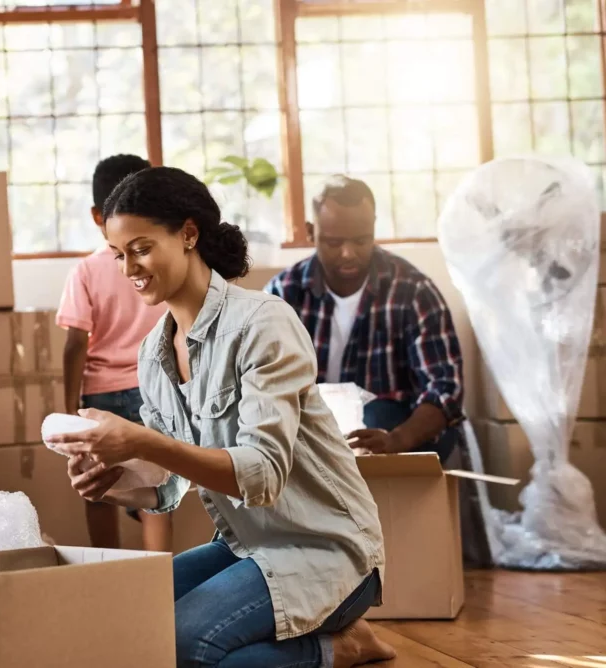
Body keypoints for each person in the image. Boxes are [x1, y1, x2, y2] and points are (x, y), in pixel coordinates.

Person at [47, 166, 396, 668]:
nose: (128, 269)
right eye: (118, 254)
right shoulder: (154, 354)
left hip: (329, 549)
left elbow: (264, 474)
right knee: (127, 616)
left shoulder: (263, 323)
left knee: (186, 645)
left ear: (189, 234)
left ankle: (339, 646)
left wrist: (140, 442)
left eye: (141, 249)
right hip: (247, 545)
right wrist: (111, 481)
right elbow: (168, 488)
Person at [267, 175, 464, 463]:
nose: (349, 254)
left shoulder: (413, 290)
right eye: (334, 242)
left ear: (373, 229)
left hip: (394, 431)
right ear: (311, 232)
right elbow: (260, 383)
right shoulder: (283, 293)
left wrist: (398, 439)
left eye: (361, 241)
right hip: (309, 432)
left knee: (375, 415)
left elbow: (445, 389)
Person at [56, 154, 173, 552]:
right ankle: (159, 574)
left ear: (95, 214)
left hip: (101, 396)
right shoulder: (161, 262)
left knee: (95, 485)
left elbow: (75, 343)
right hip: (154, 390)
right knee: (155, 486)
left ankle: (103, 569)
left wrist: (68, 404)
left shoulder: (86, 271)